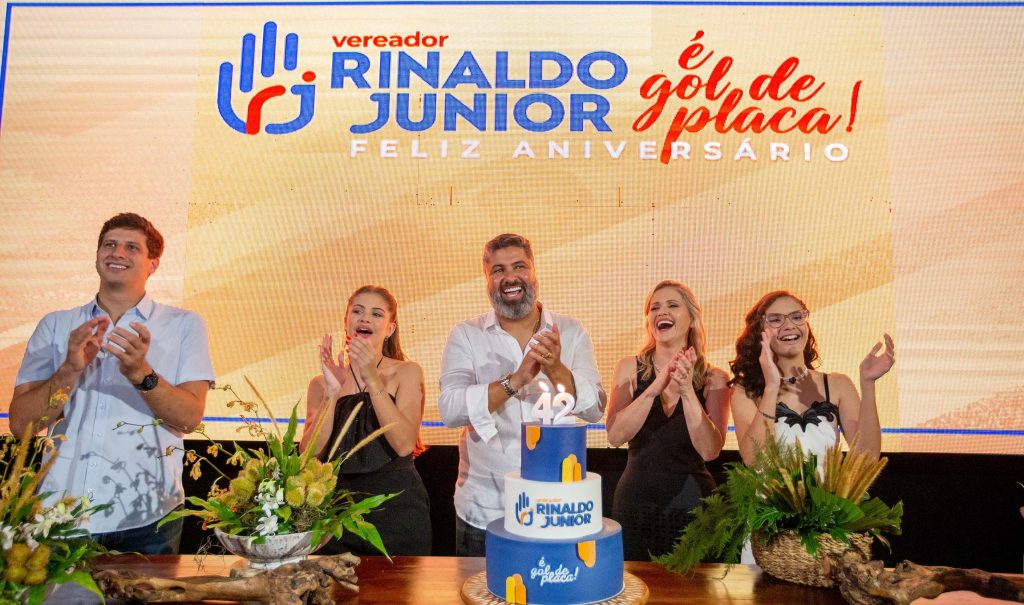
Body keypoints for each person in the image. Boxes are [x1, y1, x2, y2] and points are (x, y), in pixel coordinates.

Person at [8, 212, 214, 554]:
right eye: (109, 245)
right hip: (59, 514)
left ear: (153, 263)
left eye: (132, 247)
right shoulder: (56, 325)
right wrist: (69, 370)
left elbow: (190, 418)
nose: (117, 253)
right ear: (97, 255)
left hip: (148, 516)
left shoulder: (184, 325)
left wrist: (141, 374)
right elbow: (20, 425)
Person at [438, 233, 607, 556]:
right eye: (498, 270)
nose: (510, 277)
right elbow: (450, 409)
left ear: (534, 272)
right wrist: (514, 381)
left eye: (519, 266)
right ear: (487, 280)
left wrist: (555, 368)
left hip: (555, 509)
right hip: (485, 509)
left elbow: (595, 408)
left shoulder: (570, 332)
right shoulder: (466, 335)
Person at [299, 285, 431, 556]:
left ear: (390, 328)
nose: (365, 318)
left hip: (395, 510)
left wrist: (372, 378)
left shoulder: (406, 372)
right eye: (357, 311)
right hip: (334, 514)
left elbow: (404, 444)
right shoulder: (321, 383)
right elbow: (309, 455)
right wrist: (332, 393)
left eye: (376, 314)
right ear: (346, 321)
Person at [606, 280, 730, 561]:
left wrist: (687, 391)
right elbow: (615, 436)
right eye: (654, 308)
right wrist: (653, 389)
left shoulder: (715, 378)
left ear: (691, 319)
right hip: (635, 505)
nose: (661, 312)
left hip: (694, 505)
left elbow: (710, 450)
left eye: (673, 305)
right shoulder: (629, 368)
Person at [730, 290, 896, 466]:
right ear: (759, 331)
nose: (789, 325)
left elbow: (868, 460)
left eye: (796, 317)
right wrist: (771, 387)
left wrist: (868, 384)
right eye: (776, 320)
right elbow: (754, 461)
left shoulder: (838, 385)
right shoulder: (744, 391)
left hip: (827, 486)